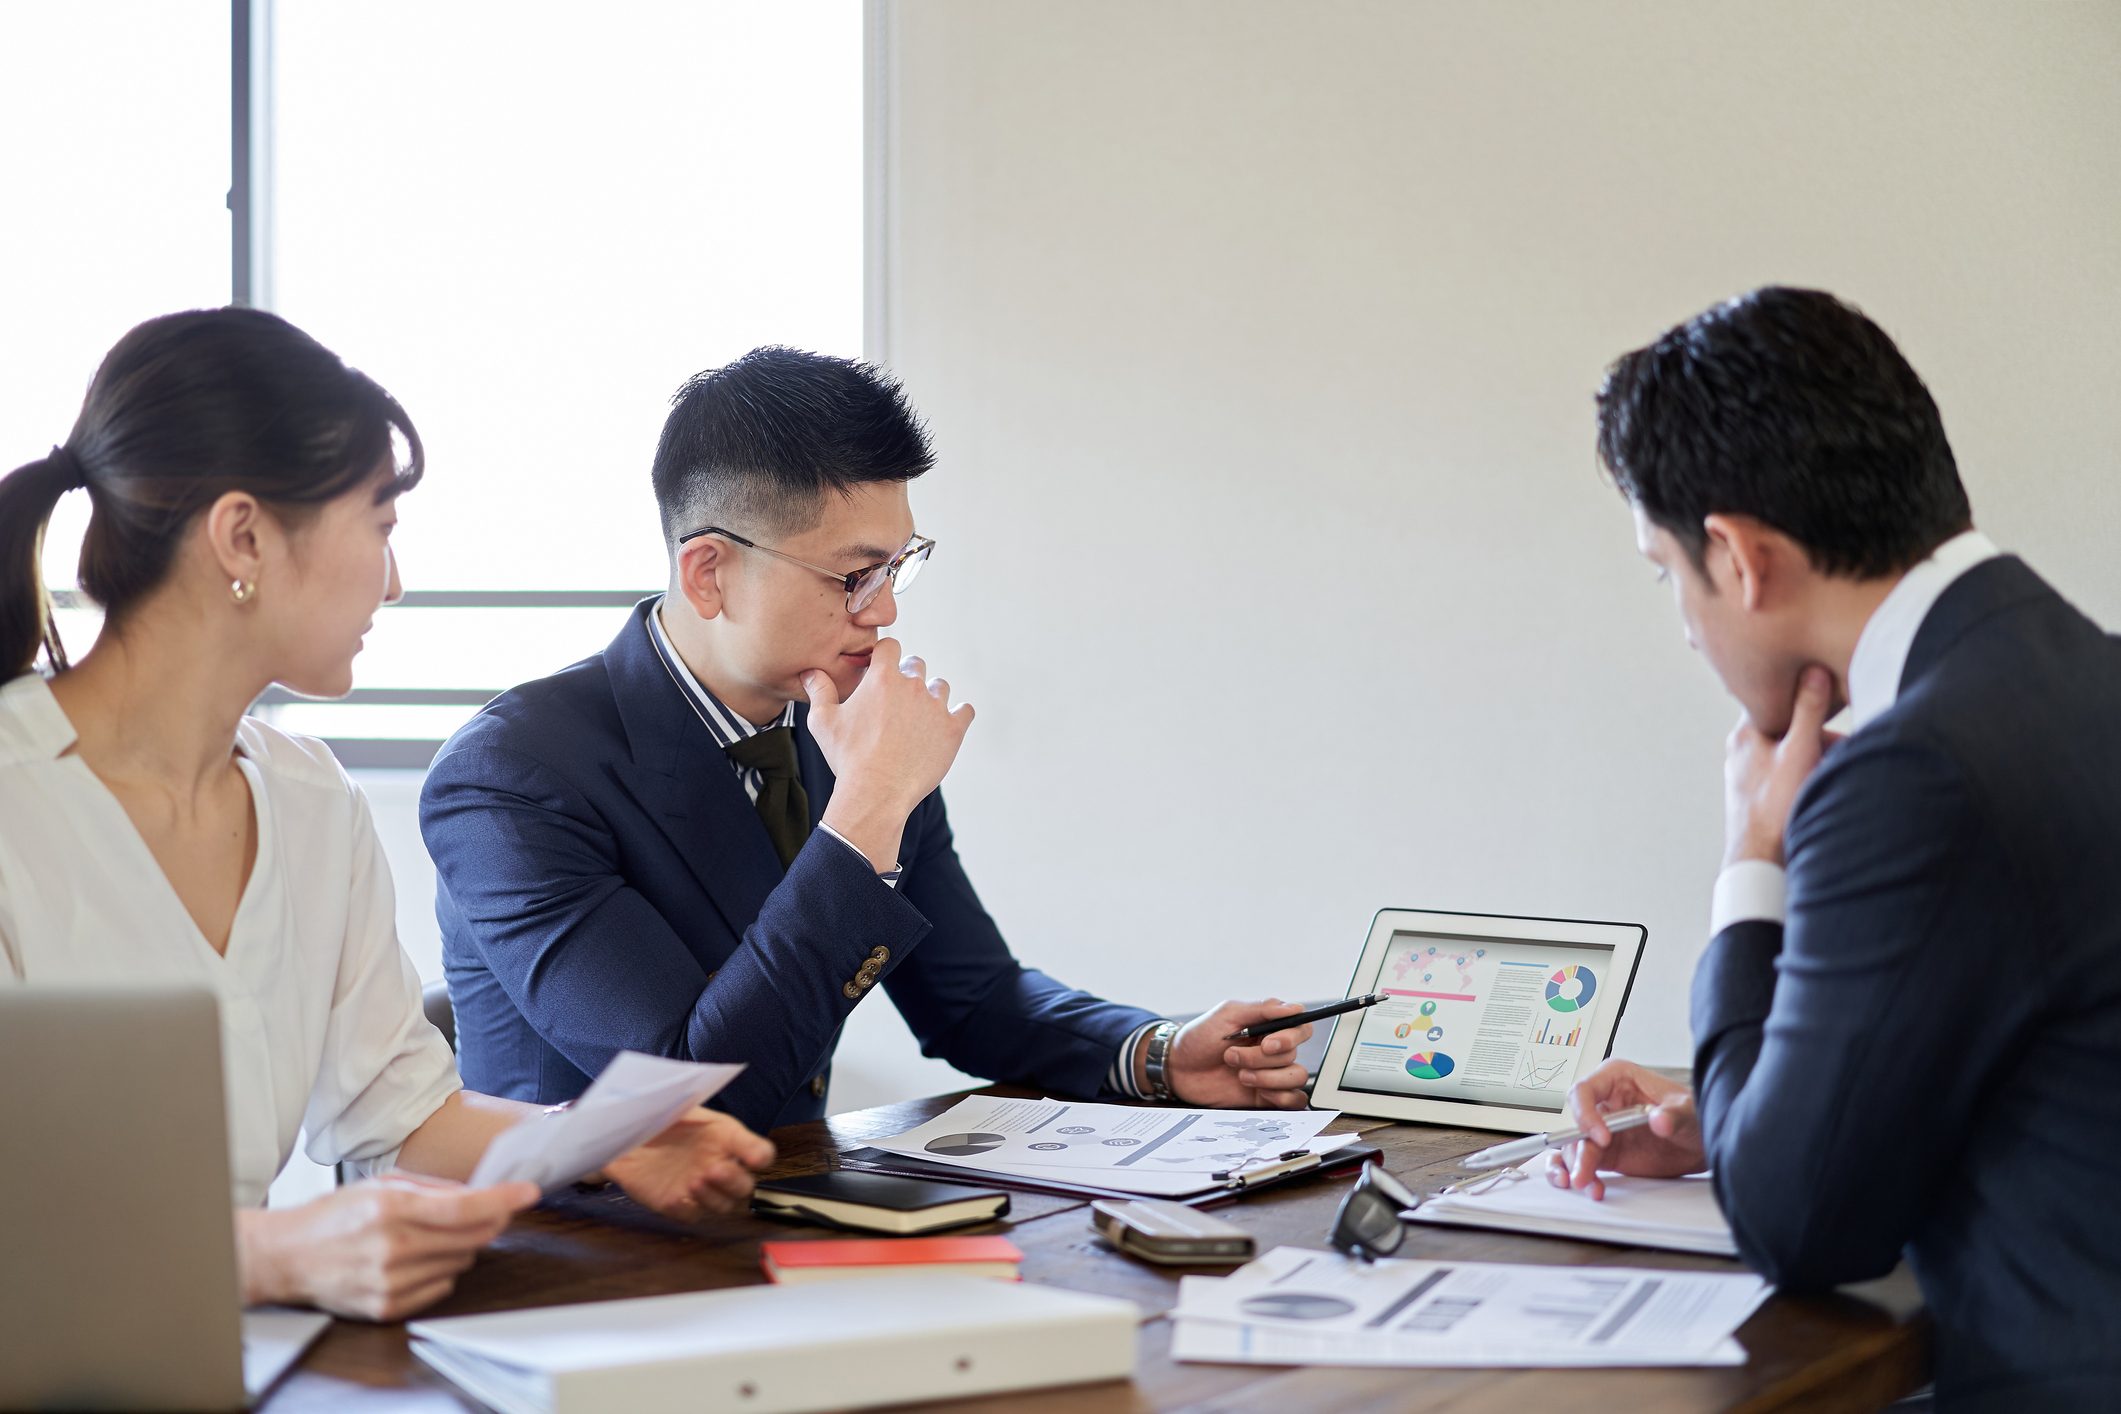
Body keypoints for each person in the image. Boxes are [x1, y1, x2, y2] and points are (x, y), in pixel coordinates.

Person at [0, 309, 775, 1323]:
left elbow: (397, 1109)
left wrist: (603, 1139)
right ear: (243, 535)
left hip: (232, 1353)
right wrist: (268, 1254)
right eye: (380, 525)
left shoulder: (312, 799)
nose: (395, 581)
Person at [420, 347, 1314, 1131]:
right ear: (708, 572)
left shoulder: (840, 729)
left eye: (895, 569)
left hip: (785, 1218)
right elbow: (688, 1100)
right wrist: (871, 805)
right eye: (852, 576)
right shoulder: (510, 777)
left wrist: (1157, 1053)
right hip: (575, 1257)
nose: (882, 611)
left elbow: (971, 999)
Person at [1552, 287, 2121, 1410]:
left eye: (1668, 574)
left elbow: (1798, 1223)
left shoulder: (1915, 771)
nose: (1682, 619)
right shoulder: (2079, 677)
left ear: (1740, 557)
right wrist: (1732, 1117)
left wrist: (1750, 860)